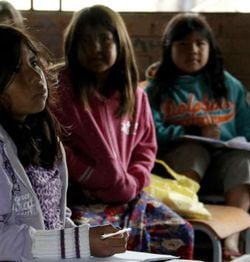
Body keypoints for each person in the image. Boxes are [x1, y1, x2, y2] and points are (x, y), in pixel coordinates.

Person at [0, 25, 128, 261]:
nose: (34, 75)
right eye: (15, 70)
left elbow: (50, 221)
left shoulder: (38, 134)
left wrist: (85, 238)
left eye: (34, 63)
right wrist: (76, 243)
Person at [53, 5, 194, 259]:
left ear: (120, 43)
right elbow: (56, 145)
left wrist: (132, 183)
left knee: (180, 231)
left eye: (105, 39)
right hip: (79, 197)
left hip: (129, 196)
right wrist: (91, 177)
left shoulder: (135, 96)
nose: (95, 48)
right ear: (73, 46)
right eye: (86, 41)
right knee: (96, 239)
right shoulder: (62, 90)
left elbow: (146, 149)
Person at [145, 12, 250, 260]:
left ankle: (231, 238)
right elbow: (150, 133)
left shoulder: (229, 85)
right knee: (194, 152)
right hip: (178, 173)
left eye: (200, 43)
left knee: (243, 161)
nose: (192, 50)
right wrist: (192, 132)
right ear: (168, 49)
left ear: (210, 48)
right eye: (182, 44)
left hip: (224, 170)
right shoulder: (156, 88)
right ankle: (182, 232)